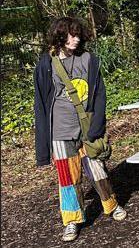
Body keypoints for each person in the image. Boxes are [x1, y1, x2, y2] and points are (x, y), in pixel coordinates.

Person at [33, 17, 127, 242]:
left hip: (87, 128)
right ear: (59, 36)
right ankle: (72, 220)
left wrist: (97, 126)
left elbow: (100, 94)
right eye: (70, 35)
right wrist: (44, 142)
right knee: (67, 178)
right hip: (60, 131)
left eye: (78, 34)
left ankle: (111, 205)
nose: (75, 39)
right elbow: (41, 103)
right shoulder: (46, 63)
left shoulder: (88, 60)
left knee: (98, 170)